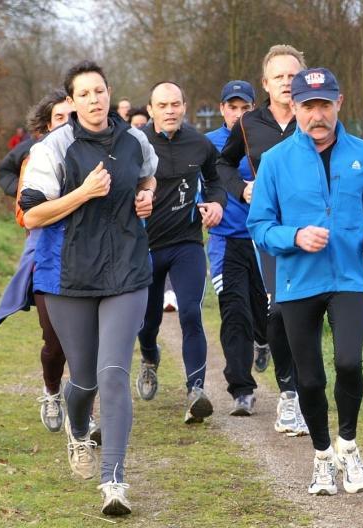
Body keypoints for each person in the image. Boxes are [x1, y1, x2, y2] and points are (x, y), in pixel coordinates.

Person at [20, 60, 158, 516]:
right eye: (85, 94)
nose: (95, 100)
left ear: (108, 92)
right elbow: (33, 215)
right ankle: (79, 432)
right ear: (72, 102)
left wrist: (146, 194)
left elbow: (148, 174)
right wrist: (82, 192)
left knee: (113, 373)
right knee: (82, 379)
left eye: (100, 91)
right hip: (68, 277)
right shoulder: (52, 149)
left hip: (126, 270)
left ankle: (113, 481)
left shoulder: (135, 139)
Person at [247, 67, 363, 495]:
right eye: (308, 106)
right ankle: (323, 456)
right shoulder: (275, 162)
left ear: (339, 103)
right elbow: (260, 226)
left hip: (349, 276)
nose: (317, 115)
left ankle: (349, 446)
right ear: (295, 108)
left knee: (348, 362)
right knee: (309, 379)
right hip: (297, 282)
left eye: (325, 104)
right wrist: (294, 236)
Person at [217, 44, 309, 435]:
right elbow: (222, 163)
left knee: (309, 312)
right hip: (270, 231)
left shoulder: (316, 116)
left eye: (293, 76)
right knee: (279, 311)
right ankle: (290, 395)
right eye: (279, 77)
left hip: (314, 231)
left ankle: (307, 392)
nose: (287, 83)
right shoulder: (248, 124)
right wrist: (241, 189)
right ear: (266, 83)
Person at [0, 90, 85, 435]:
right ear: (46, 126)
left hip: (87, 256)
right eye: (59, 118)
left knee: (85, 341)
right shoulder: (35, 158)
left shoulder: (95, 155)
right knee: (55, 341)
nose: (67, 125)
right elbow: (25, 215)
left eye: (71, 118)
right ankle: (51, 391)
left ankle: (84, 414)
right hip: (46, 252)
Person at [135, 81, 227, 424]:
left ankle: (196, 391)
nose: (170, 110)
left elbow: (216, 181)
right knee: (148, 321)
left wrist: (216, 203)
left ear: (184, 107)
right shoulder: (135, 144)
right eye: (163, 105)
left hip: (187, 243)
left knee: (190, 312)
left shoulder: (199, 144)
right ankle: (149, 358)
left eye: (176, 104)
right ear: (151, 109)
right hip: (145, 245)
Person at [205, 80, 269, 416]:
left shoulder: (264, 139)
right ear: (222, 109)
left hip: (263, 241)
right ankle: (241, 388)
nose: (238, 114)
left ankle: (264, 340)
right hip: (225, 242)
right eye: (233, 107)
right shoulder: (208, 145)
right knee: (234, 312)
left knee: (265, 313)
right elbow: (195, 184)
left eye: (245, 108)